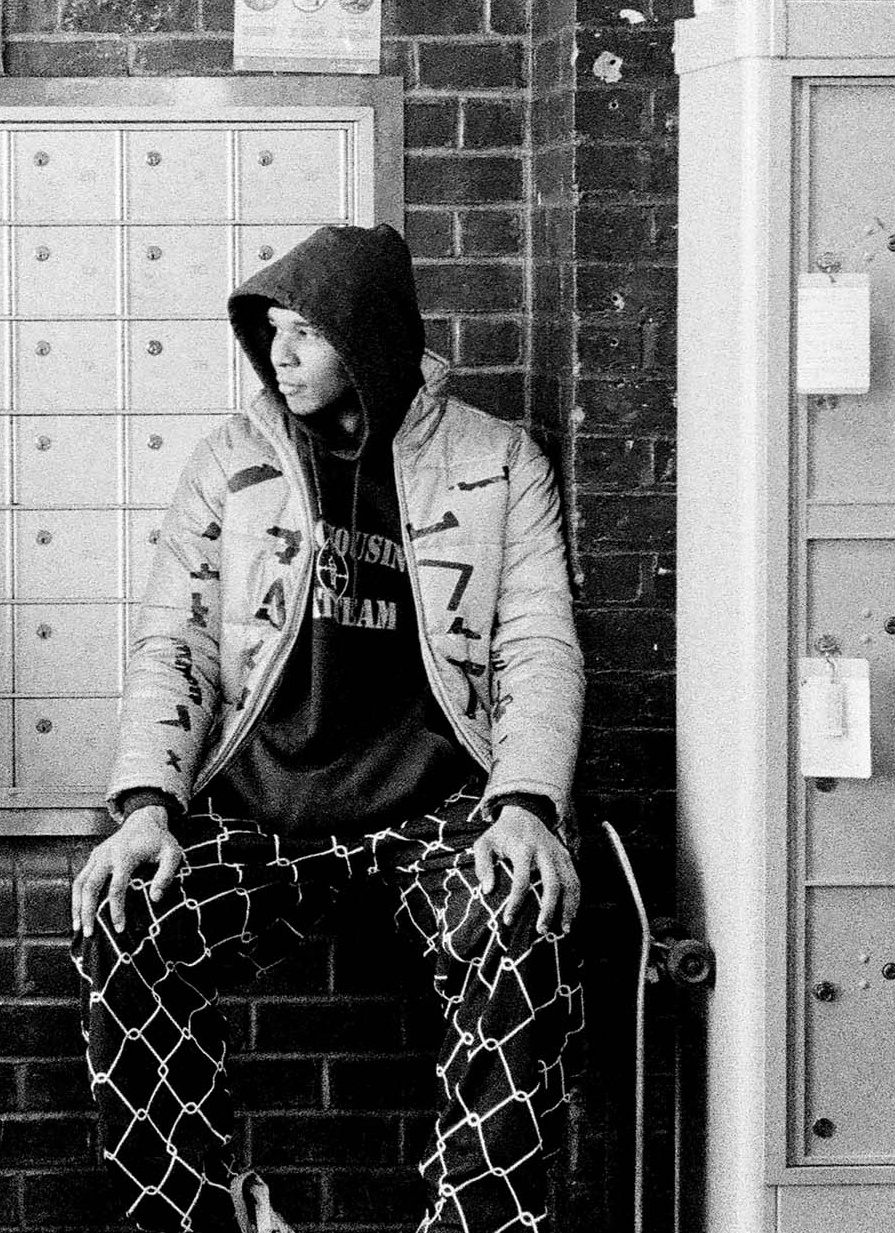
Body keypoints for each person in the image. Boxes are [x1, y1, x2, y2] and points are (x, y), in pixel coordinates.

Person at [71, 224, 586, 1233]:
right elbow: (175, 640)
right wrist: (145, 807)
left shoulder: (495, 461)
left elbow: (537, 645)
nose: (281, 353)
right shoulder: (232, 462)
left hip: (432, 811)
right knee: (125, 912)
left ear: (373, 334)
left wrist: (525, 805)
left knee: (521, 919)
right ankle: (205, 1214)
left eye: (308, 330)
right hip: (264, 812)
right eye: (271, 330)